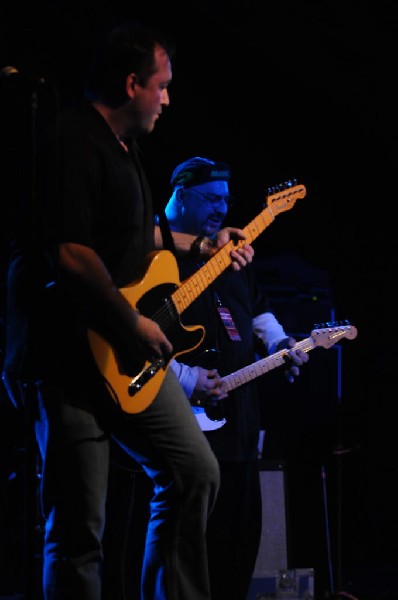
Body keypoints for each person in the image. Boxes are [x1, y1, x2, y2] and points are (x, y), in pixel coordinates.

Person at [1, 23, 255, 600]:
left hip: (122, 352)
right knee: (78, 530)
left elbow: (137, 241)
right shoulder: (71, 139)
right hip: (68, 356)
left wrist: (204, 246)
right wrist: (131, 322)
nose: (167, 100)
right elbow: (68, 251)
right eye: (161, 86)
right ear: (132, 82)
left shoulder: (125, 148)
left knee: (195, 471)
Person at [162, 156, 309, 600]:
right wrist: (185, 378)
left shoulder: (226, 250)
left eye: (226, 200)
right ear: (181, 195)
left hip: (239, 417)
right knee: (188, 538)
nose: (221, 210)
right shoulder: (154, 252)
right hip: (179, 413)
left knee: (239, 538)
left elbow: (256, 304)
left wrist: (281, 342)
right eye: (211, 199)